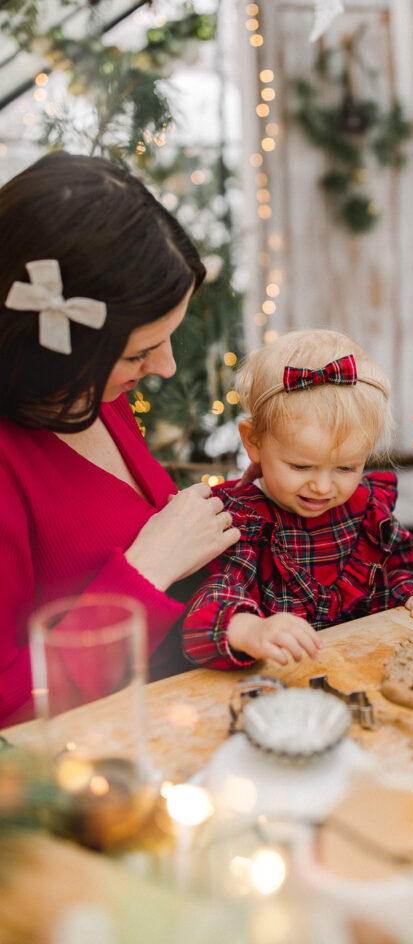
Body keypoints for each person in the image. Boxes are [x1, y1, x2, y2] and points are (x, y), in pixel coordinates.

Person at [0, 151, 240, 727]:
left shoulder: (89, 395)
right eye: (139, 352)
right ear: (56, 342)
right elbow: (8, 704)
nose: (165, 366)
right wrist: (144, 572)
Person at [182, 328, 413, 669]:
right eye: (301, 466)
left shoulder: (366, 511)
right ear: (254, 441)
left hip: (366, 669)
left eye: (346, 468)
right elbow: (208, 607)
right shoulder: (243, 524)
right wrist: (249, 629)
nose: (322, 487)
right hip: (283, 691)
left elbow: (400, 568)